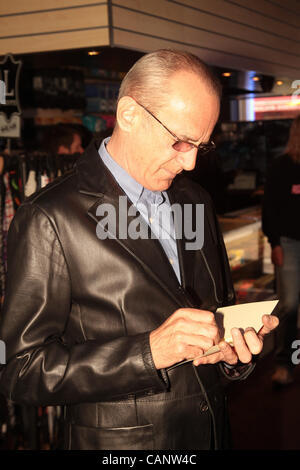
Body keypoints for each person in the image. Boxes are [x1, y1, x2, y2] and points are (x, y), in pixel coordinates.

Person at [0, 49, 278, 450]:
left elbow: (214, 310)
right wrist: (147, 353)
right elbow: (19, 371)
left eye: (201, 145)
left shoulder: (194, 200)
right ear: (129, 114)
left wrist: (234, 352)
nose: (191, 163)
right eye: (181, 141)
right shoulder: (50, 216)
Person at [262, 115, 300, 386]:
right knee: (289, 305)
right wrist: (274, 243)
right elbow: (270, 209)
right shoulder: (282, 166)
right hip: (288, 244)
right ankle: (284, 363)